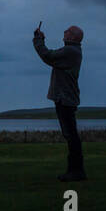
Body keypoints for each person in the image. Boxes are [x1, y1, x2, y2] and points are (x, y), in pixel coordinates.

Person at [33, 23, 85, 180]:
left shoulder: (70, 51)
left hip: (65, 99)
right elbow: (51, 57)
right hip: (66, 98)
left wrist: (38, 40)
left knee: (71, 135)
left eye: (68, 31)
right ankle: (75, 170)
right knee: (70, 135)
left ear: (73, 36)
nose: (64, 31)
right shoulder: (72, 51)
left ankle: (76, 171)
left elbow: (48, 56)